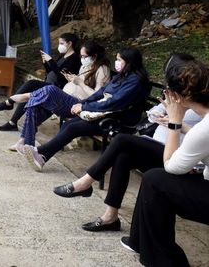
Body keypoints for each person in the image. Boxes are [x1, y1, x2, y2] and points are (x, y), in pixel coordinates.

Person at [54, 53, 201, 232]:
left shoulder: (196, 101)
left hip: (174, 154)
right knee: (123, 155)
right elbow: (156, 110)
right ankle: (110, 216)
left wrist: (177, 123)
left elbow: (200, 136)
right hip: (154, 143)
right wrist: (160, 116)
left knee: (123, 140)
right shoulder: (177, 92)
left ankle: (85, 182)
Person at [121, 59, 209, 267]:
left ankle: (165, 261)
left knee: (155, 180)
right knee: (156, 179)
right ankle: (150, 249)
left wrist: (175, 121)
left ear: (178, 96)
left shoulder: (204, 127)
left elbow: (170, 165)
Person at [22, 47, 150, 172]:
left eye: (119, 60)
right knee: (69, 124)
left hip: (118, 121)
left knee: (73, 128)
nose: (116, 63)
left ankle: (39, 152)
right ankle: (42, 157)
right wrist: (82, 103)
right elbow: (100, 93)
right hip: (106, 114)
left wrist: (84, 107)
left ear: (129, 62)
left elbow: (113, 103)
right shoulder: (122, 75)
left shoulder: (135, 81)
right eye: (116, 59)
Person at [7, 41, 111, 152]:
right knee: (34, 106)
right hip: (69, 100)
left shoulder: (102, 70)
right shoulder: (86, 66)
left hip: (80, 105)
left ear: (94, 56)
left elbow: (98, 96)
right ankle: (24, 143)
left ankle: (26, 97)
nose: (82, 59)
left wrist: (80, 83)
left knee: (50, 89)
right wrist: (72, 80)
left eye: (84, 56)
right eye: (81, 56)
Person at [0, 33, 81, 131]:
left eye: (61, 43)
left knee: (31, 84)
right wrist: (46, 63)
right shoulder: (63, 56)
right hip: (50, 84)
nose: (59, 46)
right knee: (28, 96)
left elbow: (63, 78)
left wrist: (51, 62)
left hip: (58, 89)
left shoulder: (74, 59)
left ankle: (9, 102)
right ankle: (12, 122)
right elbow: (51, 72)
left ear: (69, 43)